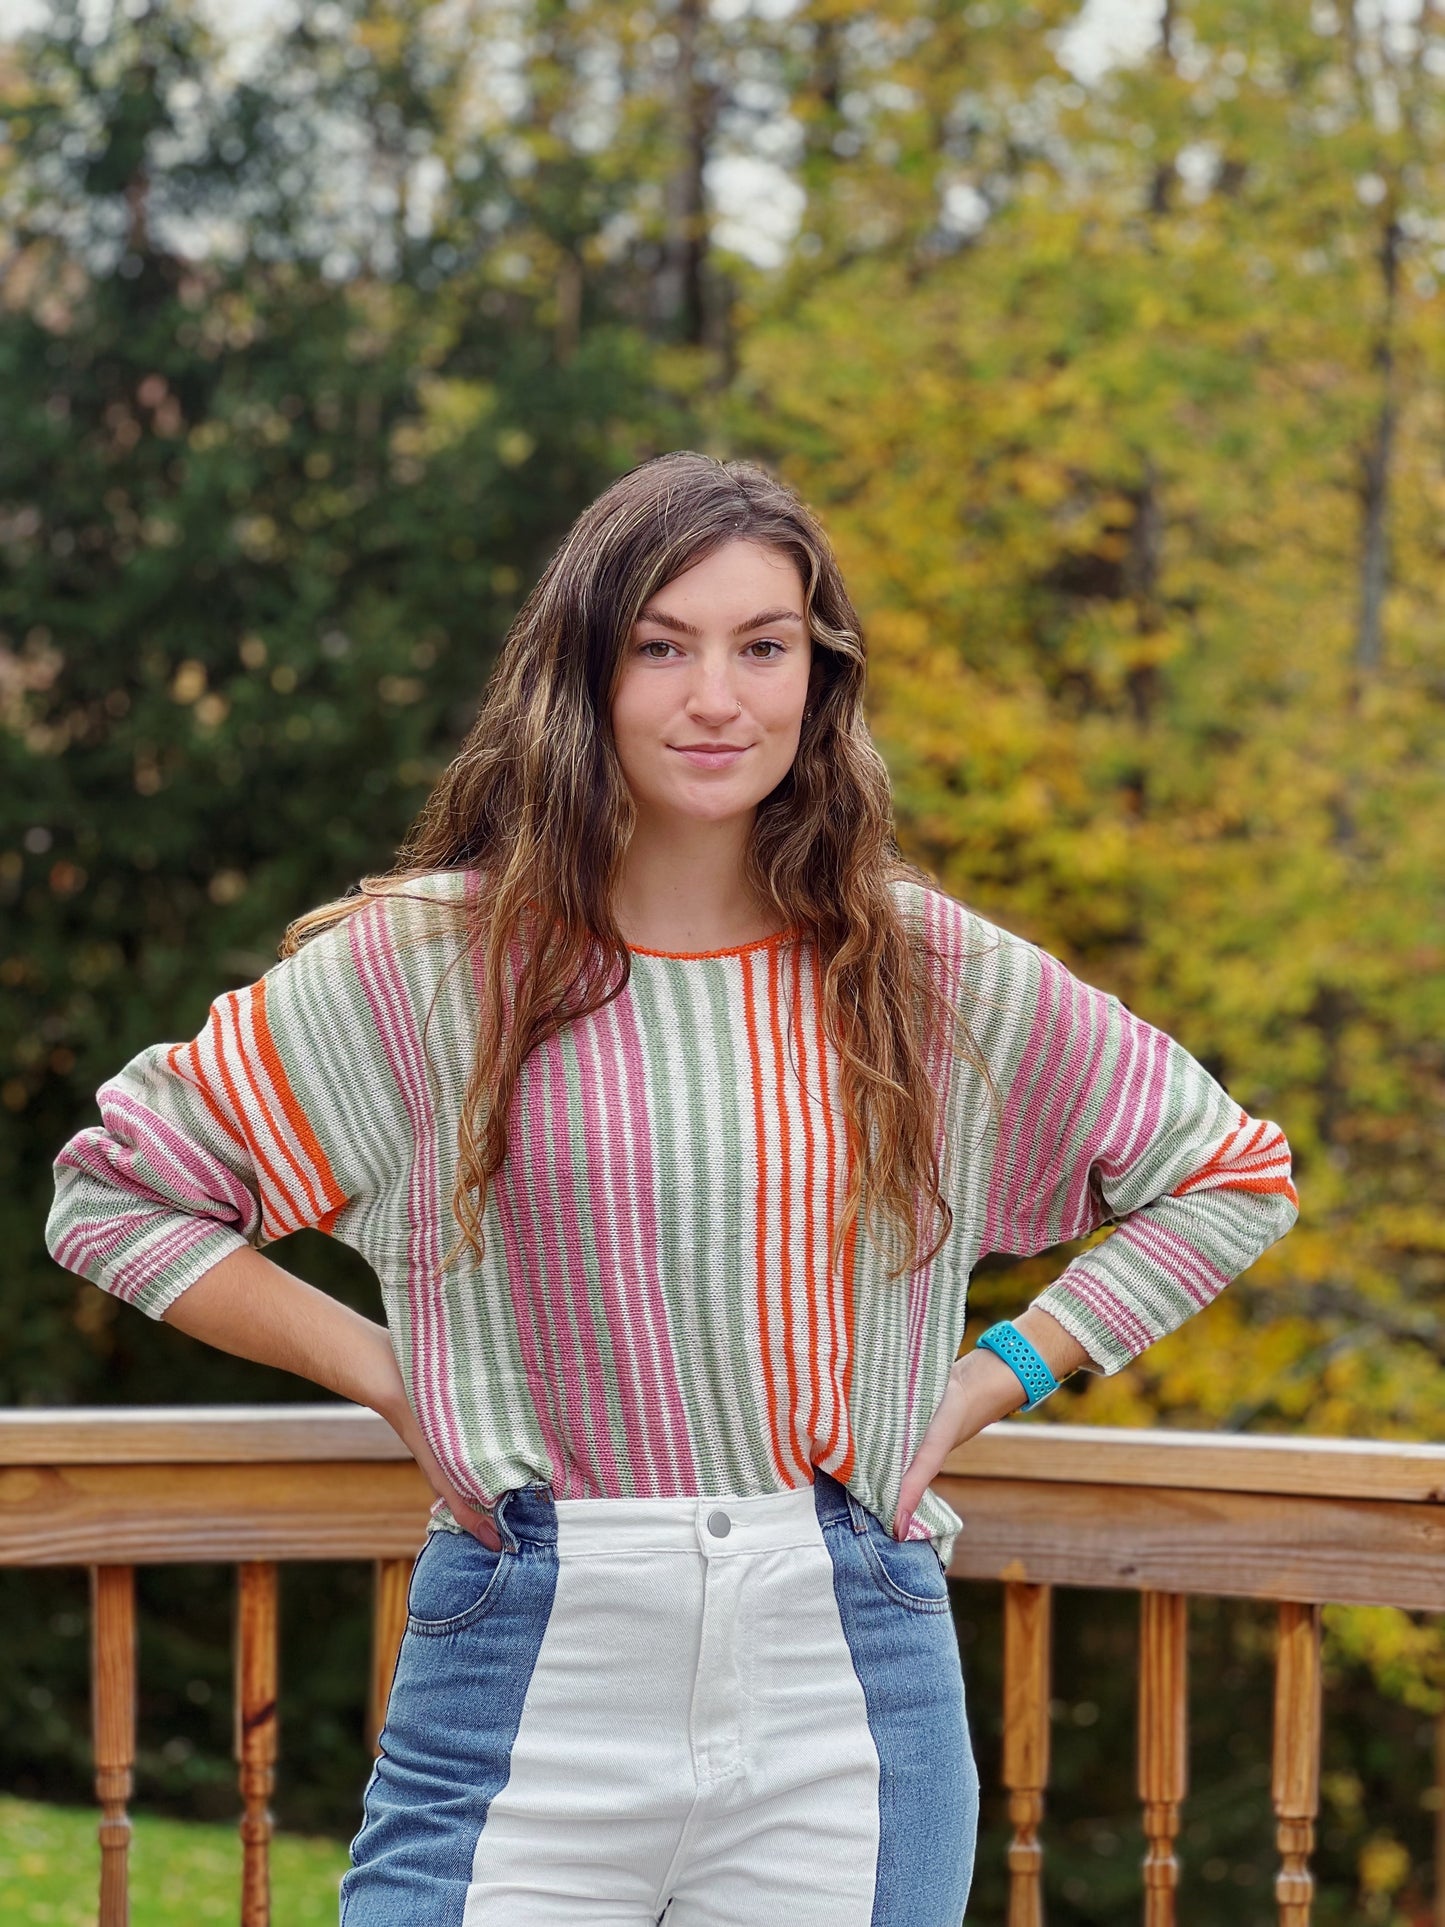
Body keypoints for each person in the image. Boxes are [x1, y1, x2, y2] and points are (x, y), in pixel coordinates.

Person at [46, 451, 1298, 1926]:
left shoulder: (919, 969)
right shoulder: (430, 971)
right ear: (583, 675)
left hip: (845, 1670)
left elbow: (1229, 1173)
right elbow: (112, 1196)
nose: (719, 698)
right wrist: (390, 1378)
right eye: (662, 646)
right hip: (525, 1657)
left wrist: (986, 1381)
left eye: (763, 647)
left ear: (817, 680)